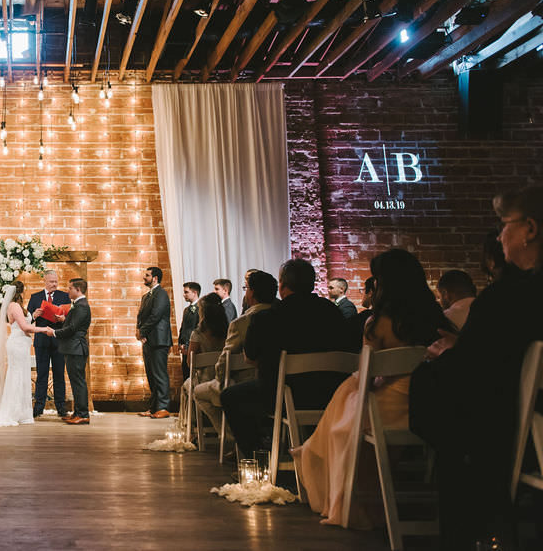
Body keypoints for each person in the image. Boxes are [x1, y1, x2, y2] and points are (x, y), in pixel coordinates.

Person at [411, 186, 543, 548]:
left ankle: (472, 536)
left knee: (446, 413)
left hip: (511, 436)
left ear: (529, 229)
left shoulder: (506, 298)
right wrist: (466, 348)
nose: (500, 235)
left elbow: (477, 375)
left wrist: (450, 353)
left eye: (504, 224)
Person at [293, 249, 450, 528]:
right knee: (348, 400)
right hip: (434, 406)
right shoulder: (437, 318)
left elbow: (367, 377)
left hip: (390, 412)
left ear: (384, 284)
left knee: (349, 401)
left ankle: (318, 459)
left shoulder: (377, 324)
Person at [220, 258, 362, 456]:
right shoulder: (332, 313)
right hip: (332, 394)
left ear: (282, 285)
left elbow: (251, 358)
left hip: (283, 396)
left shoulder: (268, 317)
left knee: (231, 396)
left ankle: (258, 456)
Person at [192, 270, 277, 437]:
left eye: (246, 288)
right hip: (281, 384)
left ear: (252, 292)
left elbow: (224, 362)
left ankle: (232, 436)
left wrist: (221, 380)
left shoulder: (242, 323)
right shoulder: (283, 316)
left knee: (198, 392)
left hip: (245, 384)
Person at [0, 281, 51, 426]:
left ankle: (22, 412)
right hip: (17, 344)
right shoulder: (14, 306)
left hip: (21, 344)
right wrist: (44, 329)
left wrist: (33, 316)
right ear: (20, 292)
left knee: (22, 376)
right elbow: (24, 327)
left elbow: (24, 322)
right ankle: (13, 411)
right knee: (16, 376)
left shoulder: (15, 306)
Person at [176, 292, 228, 431]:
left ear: (203, 312)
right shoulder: (228, 331)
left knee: (186, 387)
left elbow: (190, 363)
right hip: (225, 379)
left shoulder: (198, 334)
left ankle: (190, 427)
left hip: (204, 379)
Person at [44, 278, 92, 424]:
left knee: (78, 382)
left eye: (70, 288)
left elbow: (72, 329)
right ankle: (77, 412)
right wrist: (63, 320)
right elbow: (72, 324)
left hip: (76, 347)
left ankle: (83, 414)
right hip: (72, 347)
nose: (67, 290)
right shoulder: (77, 305)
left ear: (78, 290)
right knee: (75, 381)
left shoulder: (82, 306)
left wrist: (54, 333)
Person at [27, 270, 71, 417]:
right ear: (44, 281)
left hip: (59, 341)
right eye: (51, 281)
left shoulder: (64, 296)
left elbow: (71, 317)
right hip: (41, 341)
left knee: (59, 375)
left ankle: (61, 407)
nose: (54, 284)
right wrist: (34, 315)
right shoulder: (35, 297)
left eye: (56, 281)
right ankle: (38, 407)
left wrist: (63, 319)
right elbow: (27, 320)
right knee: (42, 375)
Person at [137, 266, 172, 419]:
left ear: (155, 278)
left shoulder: (161, 294)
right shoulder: (145, 296)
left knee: (160, 374)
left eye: (147, 275)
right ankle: (153, 407)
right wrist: (139, 331)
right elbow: (141, 316)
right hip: (148, 340)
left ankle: (163, 407)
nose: (144, 278)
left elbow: (156, 315)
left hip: (159, 339)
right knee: (151, 374)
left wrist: (143, 331)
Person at [178, 282, 202, 383]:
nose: (184, 295)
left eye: (186, 292)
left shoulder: (201, 308)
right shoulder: (186, 310)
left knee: (193, 377)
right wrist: (180, 343)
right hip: (184, 348)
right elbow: (183, 328)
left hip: (193, 347)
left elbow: (197, 329)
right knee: (185, 375)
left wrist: (188, 346)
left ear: (195, 292)